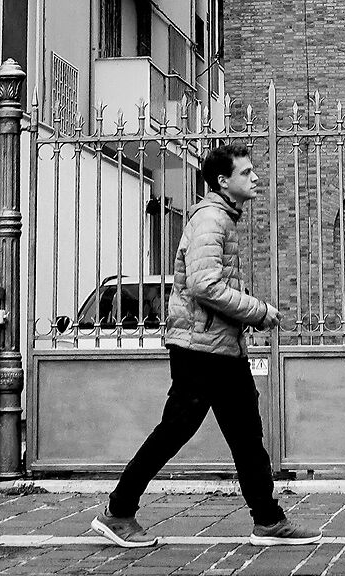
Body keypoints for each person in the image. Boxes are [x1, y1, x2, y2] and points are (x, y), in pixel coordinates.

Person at [92, 143, 314, 549]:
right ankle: (119, 511)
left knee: (247, 433)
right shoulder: (212, 219)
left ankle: (267, 519)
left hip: (219, 346)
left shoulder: (223, 218)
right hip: (200, 349)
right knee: (176, 429)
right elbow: (204, 284)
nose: (255, 178)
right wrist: (257, 310)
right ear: (222, 181)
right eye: (246, 173)